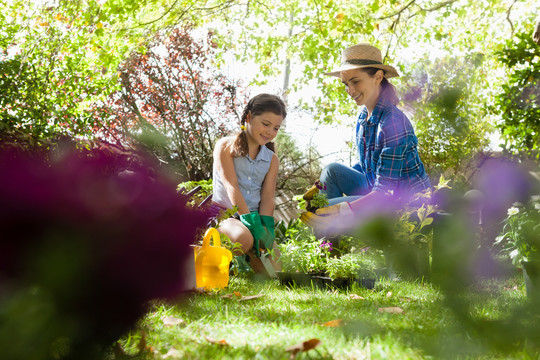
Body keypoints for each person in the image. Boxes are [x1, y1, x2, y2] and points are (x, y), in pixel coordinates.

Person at [301, 43, 431, 234]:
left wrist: (344, 209)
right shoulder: (364, 117)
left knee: (321, 212)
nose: (350, 91)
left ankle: (328, 250)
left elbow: (385, 191)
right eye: (346, 84)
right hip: (378, 191)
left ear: (378, 77)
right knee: (331, 172)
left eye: (356, 81)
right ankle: (332, 249)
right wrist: (321, 185)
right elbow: (368, 165)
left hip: (407, 204)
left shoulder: (392, 122)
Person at [210, 93, 287, 273]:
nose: (270, 132)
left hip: (255, 220)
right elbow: (231, 186)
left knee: (276, 266)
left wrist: (265, 226)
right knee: (243, 238)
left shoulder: (272, 160)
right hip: (226, 216)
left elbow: (267, 196)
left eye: (276, 128)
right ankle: (213, 264)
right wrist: (249, 222)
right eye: (266, 124)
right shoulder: (225, 146)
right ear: (249, 117)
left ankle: (248, 262)